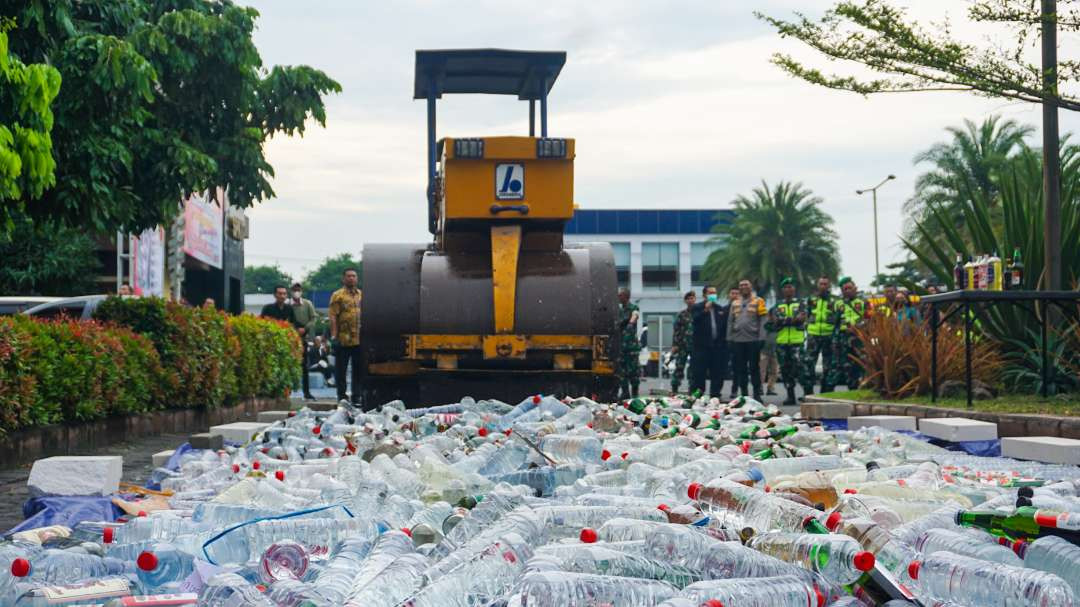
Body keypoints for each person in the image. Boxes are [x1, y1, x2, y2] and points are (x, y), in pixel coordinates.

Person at [727, 278, 768, 400]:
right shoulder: (735, 303)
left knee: (754, 368)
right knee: (741, 369)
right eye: (741, 285)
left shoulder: (759, 301)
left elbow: (763, 320)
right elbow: (730, 322)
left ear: (751, 287)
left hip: (753, 340)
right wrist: (729, 338)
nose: (743, 287)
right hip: (738, 341)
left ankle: (756, 394)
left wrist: (762, 337)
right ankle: (744, 395)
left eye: (746, 285)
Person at [768, 277, 807, 405]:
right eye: (785, 287)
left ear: (794, 289)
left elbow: (801, 319)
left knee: (801, 369)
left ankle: (807, 394)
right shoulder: (778, 305)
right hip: (782, 342)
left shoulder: (801, 303)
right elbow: (774, 321)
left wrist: (784, 320)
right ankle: (790, 396)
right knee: (785, 370)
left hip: (797, 341)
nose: (788, 289)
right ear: (782, 290)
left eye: (790, 286)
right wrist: (792, 320)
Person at [329, 268, 363, 407]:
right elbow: (333, 316)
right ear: (344, 279)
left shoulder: (361, 295)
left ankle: (357, 396)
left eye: (354, 276)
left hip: (359, 339)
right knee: (341, 371)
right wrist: (334, 336)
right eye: (348, 276)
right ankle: (342, 397)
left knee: (358, 370)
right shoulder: (338, 295)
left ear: (357, 279)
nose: (351, 278)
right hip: (343, 339)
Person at [690, 285, 729, 399]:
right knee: (699, 373)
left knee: (717, 372)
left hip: (717, 347)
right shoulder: (697, 307)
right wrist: (705, 310)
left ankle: (715, 395)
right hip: (701, 347)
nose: (713, 295)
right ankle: (698, 395)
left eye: (714, 292)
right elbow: (694, 320)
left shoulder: (720, 309)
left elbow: (723, 327)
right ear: (704, 295)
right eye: (710, 292)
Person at [830, 276, 868, 391]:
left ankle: (864, 386)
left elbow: (869, 319)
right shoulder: (837, 304)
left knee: (863, 363)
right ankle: (852, 388)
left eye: (849, 288)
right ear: (842, 291)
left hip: (859, 337)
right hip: (843, 338)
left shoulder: (863, 302)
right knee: (847, 366)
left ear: (855, 288)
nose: (847, 291)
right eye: (845, 289)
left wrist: (858, 327)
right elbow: (833, 322)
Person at [802, 276, 838, 395]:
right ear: (818, 285)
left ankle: (826, 393)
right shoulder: (811, 299)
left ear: (829, 286)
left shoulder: (835, 300)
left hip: (829, 335)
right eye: (821, 284)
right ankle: (808, 393)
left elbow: (838, 318)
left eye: (825, 284)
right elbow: (805, 314)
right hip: (813, 335)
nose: (823, 286)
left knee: (828, 366)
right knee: (808, 364)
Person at [290, 283, 318, 400]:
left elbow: (314, 317)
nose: (297, 291)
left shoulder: (307, 304)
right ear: (291, 291)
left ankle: (306, 392)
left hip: (303, 338)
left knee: (304, 366)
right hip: (290, 337)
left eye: (298, 289)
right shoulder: (288, 304)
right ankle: (287, 392)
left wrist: (305, 328)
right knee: (289, 365)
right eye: (294, 289)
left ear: (301, 291)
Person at [616, 288, 641, 399]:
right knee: (622, 372)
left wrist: (631, 323)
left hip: (631, 346)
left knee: (634, 371)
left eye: (620, 295)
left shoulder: (633, 308)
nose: (618, 298)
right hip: (621, 346)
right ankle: (625, 392)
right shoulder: (619, 311)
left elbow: (635, 316)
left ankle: (635, 393)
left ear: (626, 296)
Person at [669, 290, 695, 393]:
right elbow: (676, 330)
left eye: (692, 298)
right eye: (688, 299)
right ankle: (675, 387)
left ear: (695, 299)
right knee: (679, 366)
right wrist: (675, 344)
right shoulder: (681, 314)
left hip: (695, 345)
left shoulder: (698, 312)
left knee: (693, 368)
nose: (690, 300)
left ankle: (692, 388)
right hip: (682, 345)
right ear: (685, 301)